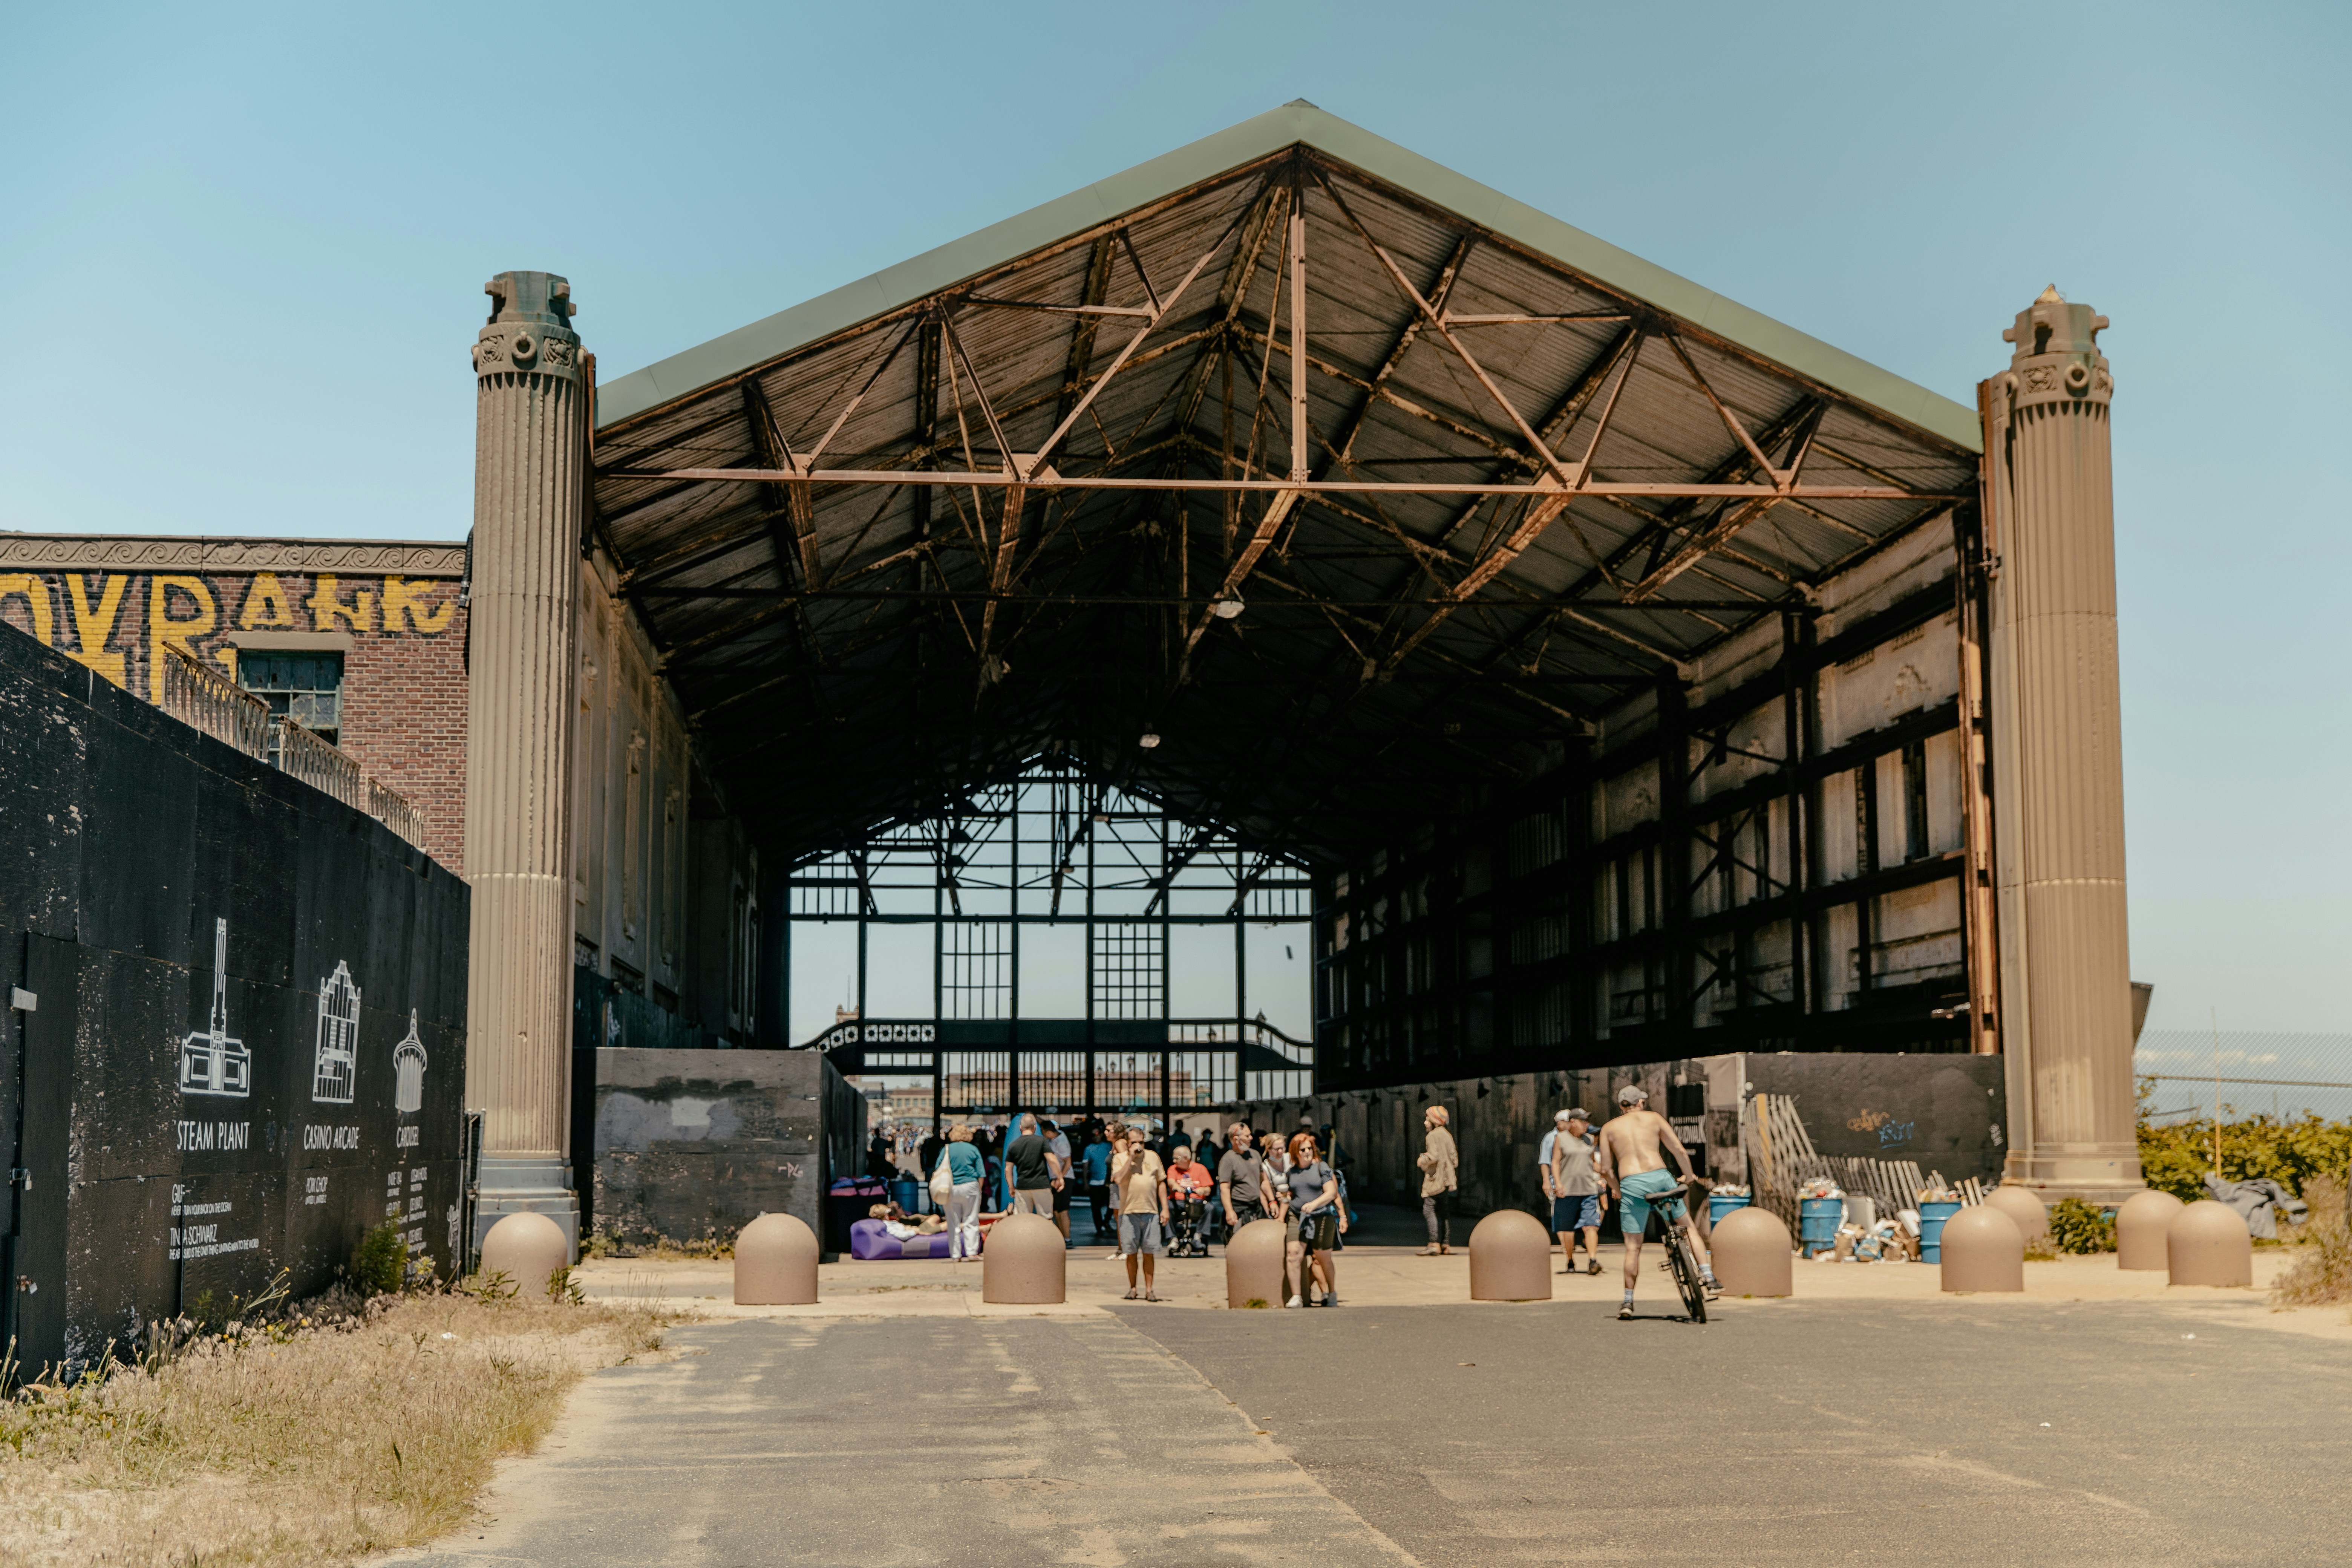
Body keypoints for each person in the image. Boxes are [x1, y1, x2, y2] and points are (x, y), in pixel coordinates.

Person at [1594, 1083, 1718, 1318]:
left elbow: (1607, 1170)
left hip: (1632, 1183)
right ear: (1640, 1102)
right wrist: (1689, 1176)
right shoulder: (1654, 1118)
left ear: (1621, 1106)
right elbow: (1679, 1151)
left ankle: (1628, 1302)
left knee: (1633, 1247)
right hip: (1660, 1178)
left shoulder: (1609, 1128)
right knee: (1688, 1227)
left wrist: (1617, 1190)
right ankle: (1708, 1276)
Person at [1284, 1131, 1345, 1307]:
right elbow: (1290, 1192)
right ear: (1296, 1152)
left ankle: (1332, 1292)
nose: (1307, 1152)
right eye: (1303, 1150)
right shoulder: (1292, 1172)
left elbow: (1331, 1192)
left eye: (1310, 1148)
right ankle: (1297, 1297)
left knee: (1322, 1257)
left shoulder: (1321, 1167)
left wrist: (1314, 1204)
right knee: (1293, 1255)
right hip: (1297, 1216)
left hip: (1322, 1217)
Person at [1110, 1124, 1169, 1302]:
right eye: (1135, 1142)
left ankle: (1149, 1290)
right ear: (1127, 1143)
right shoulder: (1120, 1158)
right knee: (1131, 1253)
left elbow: (1161, 1182)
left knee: (1149, 1253)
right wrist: (1130, 1159)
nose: (1139, 1146)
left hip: (1150, 1211)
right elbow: (1119, 1179)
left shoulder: (1153, 1156)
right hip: (1129, 1212)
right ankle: (1133, 1288)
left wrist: (1165, 1208)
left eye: (1141, 1142)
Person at [1545, 1109, 1604, 1275]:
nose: (1586, 1125)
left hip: (1588, 1190)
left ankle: (1593, 1260)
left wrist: (1606, 1172)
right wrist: (1557, 1183)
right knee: (1568, 1229)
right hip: (1568, 1191)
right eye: (1583, 1121)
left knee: (1591, 1226)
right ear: (1573, 1122)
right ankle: (1570, 1260)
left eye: (1587, 1122)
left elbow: (1593, 1163)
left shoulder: (1590, 1140)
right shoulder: (1561, 1139)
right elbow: (1555, 1163)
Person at [939, 1124, 985, 1261]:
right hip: (971, 1185)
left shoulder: (947, 1149)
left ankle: (955, 1255)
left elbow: (938, 1168)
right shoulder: (973, 1149)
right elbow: (981, 1173)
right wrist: (979, 1189)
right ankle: (971, 1252)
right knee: (971, 1219)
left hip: (951, 1187)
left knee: (953, 1222)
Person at [1416, 1104, 1458, 1255]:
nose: (1425, 1123)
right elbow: (1455, 1160)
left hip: (1435, 1181)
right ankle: (1445, 1244)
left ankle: (1434, 1243)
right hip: (1447, 1181)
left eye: (1427, 1119)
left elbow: (1433, 1156)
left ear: (1435, 1121)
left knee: (1429, 1209)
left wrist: (1422, 1160)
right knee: (1444, 1212)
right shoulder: (1447, 1135)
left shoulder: (1432, 1136)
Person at [1217, 1121, 1269, 1234]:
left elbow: (1263, 1181)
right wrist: (1229, 1211)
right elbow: (1225, 1188)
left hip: (1256, 1207)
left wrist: (1272, 1202)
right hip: (1239, 1209)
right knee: (1240, 1246)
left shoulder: (1255, 1154)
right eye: (1247, 1136)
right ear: (1236, 1139)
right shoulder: (1228, 1160)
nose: (1251, 1138)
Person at [1004, 1112, 1056, 1219]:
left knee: (1023, 1220)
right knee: (1046, 1218)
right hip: (1042, 1186)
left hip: (1023, 1187)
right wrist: (1059, 1177)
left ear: (1020, 1128)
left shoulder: (1013, 1145)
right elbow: (1052, 1160)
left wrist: (1011, 1187)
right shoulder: (1042, 1142)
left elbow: (1008, 1169)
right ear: (1035, 1127)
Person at [1165, 1145, 1215, 1256]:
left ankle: (1199, 1236)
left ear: (1186, 1158)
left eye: (1176, 1158)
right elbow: (1171, 1181)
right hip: (1178, 1202)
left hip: (1196, 1202)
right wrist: (1176, 1187)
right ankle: (1172, 1238)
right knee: (1167, 1206)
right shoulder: (1173, 1169)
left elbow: (1208, 1189)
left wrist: (1202, 1190)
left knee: (1210, 1208)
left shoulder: (1200, 1168)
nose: (1174, 1161)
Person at [1083, 1125, 1116, 1239]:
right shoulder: (1088, 1149)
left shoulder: (1108, 1146)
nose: (1095, 1137)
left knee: (1111, 1205)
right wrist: (1086, 1183)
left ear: (1101, 1134)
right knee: (1096, 1209)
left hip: (1108, 1183)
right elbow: (1085, 1167)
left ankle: (1106, 1221)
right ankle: (1099, 1229)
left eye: (1097, 1134)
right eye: (1093, 1135)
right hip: (1094, 1183)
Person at [1044, 1118, 1074, 1238]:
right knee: (1056, 1211)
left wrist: (1059, 1178)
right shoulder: (1057, 1136)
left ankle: (1067, 1238)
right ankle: (1062, 1238)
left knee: (1063, 1210)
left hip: (1065, 1178)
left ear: (1049, 1133)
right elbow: (1044, 1123)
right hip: (1057, 1178)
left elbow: (1068, 1162)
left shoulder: (1061, 1142)